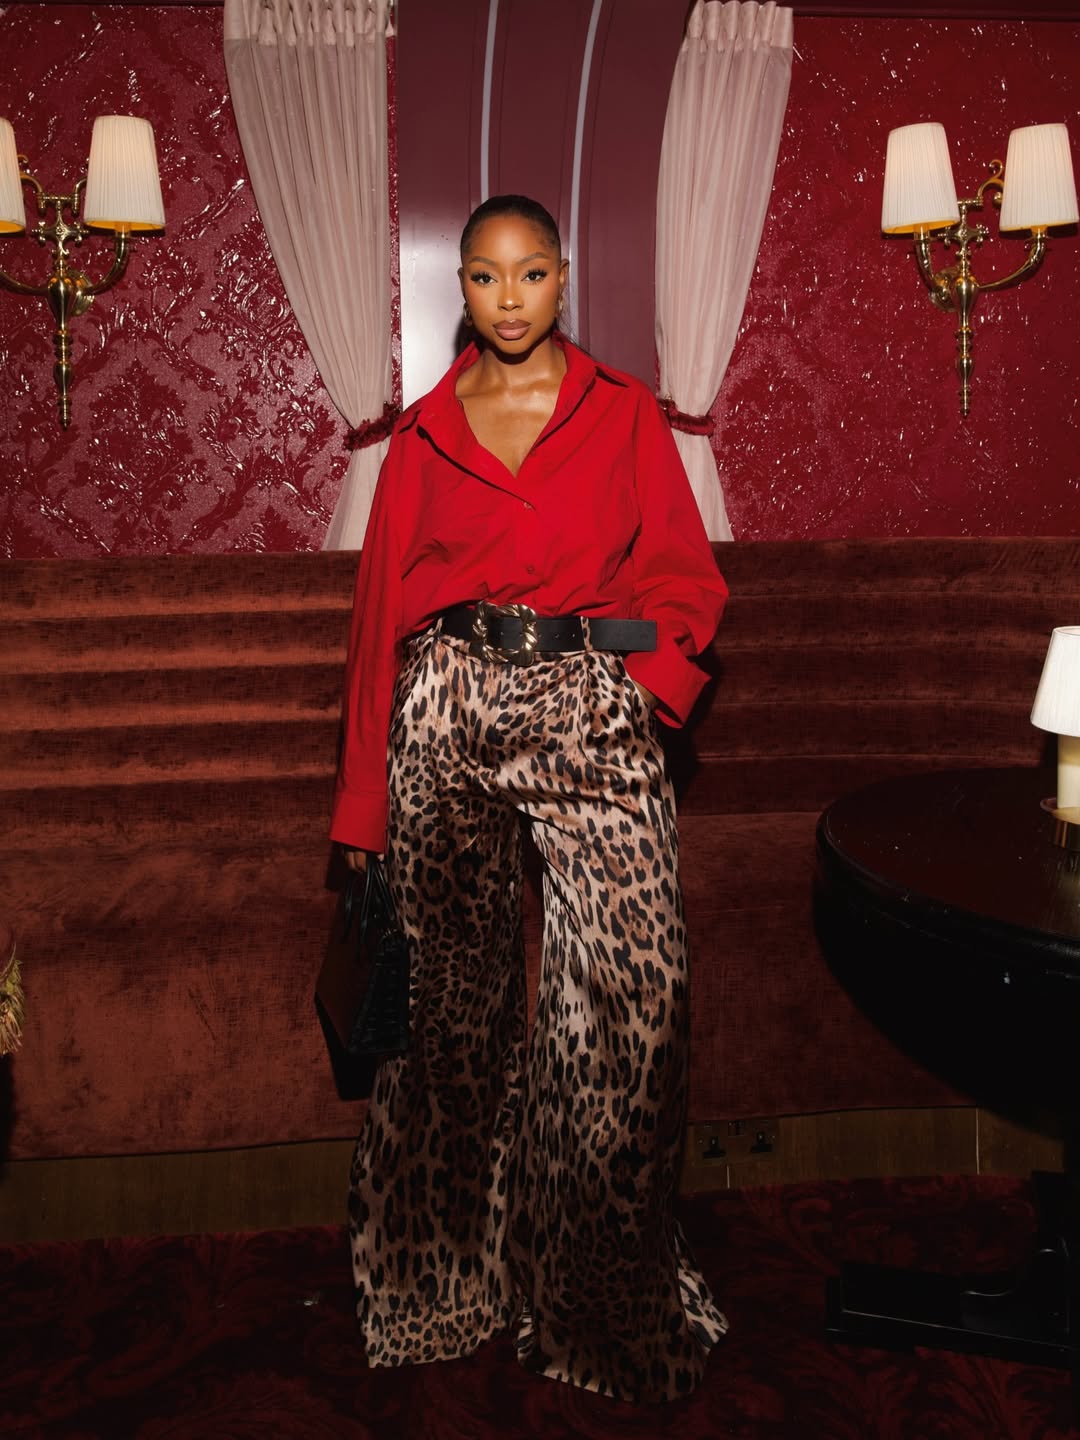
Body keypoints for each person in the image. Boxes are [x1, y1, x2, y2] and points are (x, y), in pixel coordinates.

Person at [330, 193, 728, 1403]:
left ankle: (603, 1304)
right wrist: (360, 818)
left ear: (564, 280)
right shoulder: (425, 435)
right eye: (487, 278)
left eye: (533, 274)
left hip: (588, 701)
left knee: (632, 1006)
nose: (511, 298)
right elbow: (376, 631)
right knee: (450, 1016)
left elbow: (687, 577)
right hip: (446, 704)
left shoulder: (624, 418)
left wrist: (641, 693)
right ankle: (440, 1289)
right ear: (465, 288)